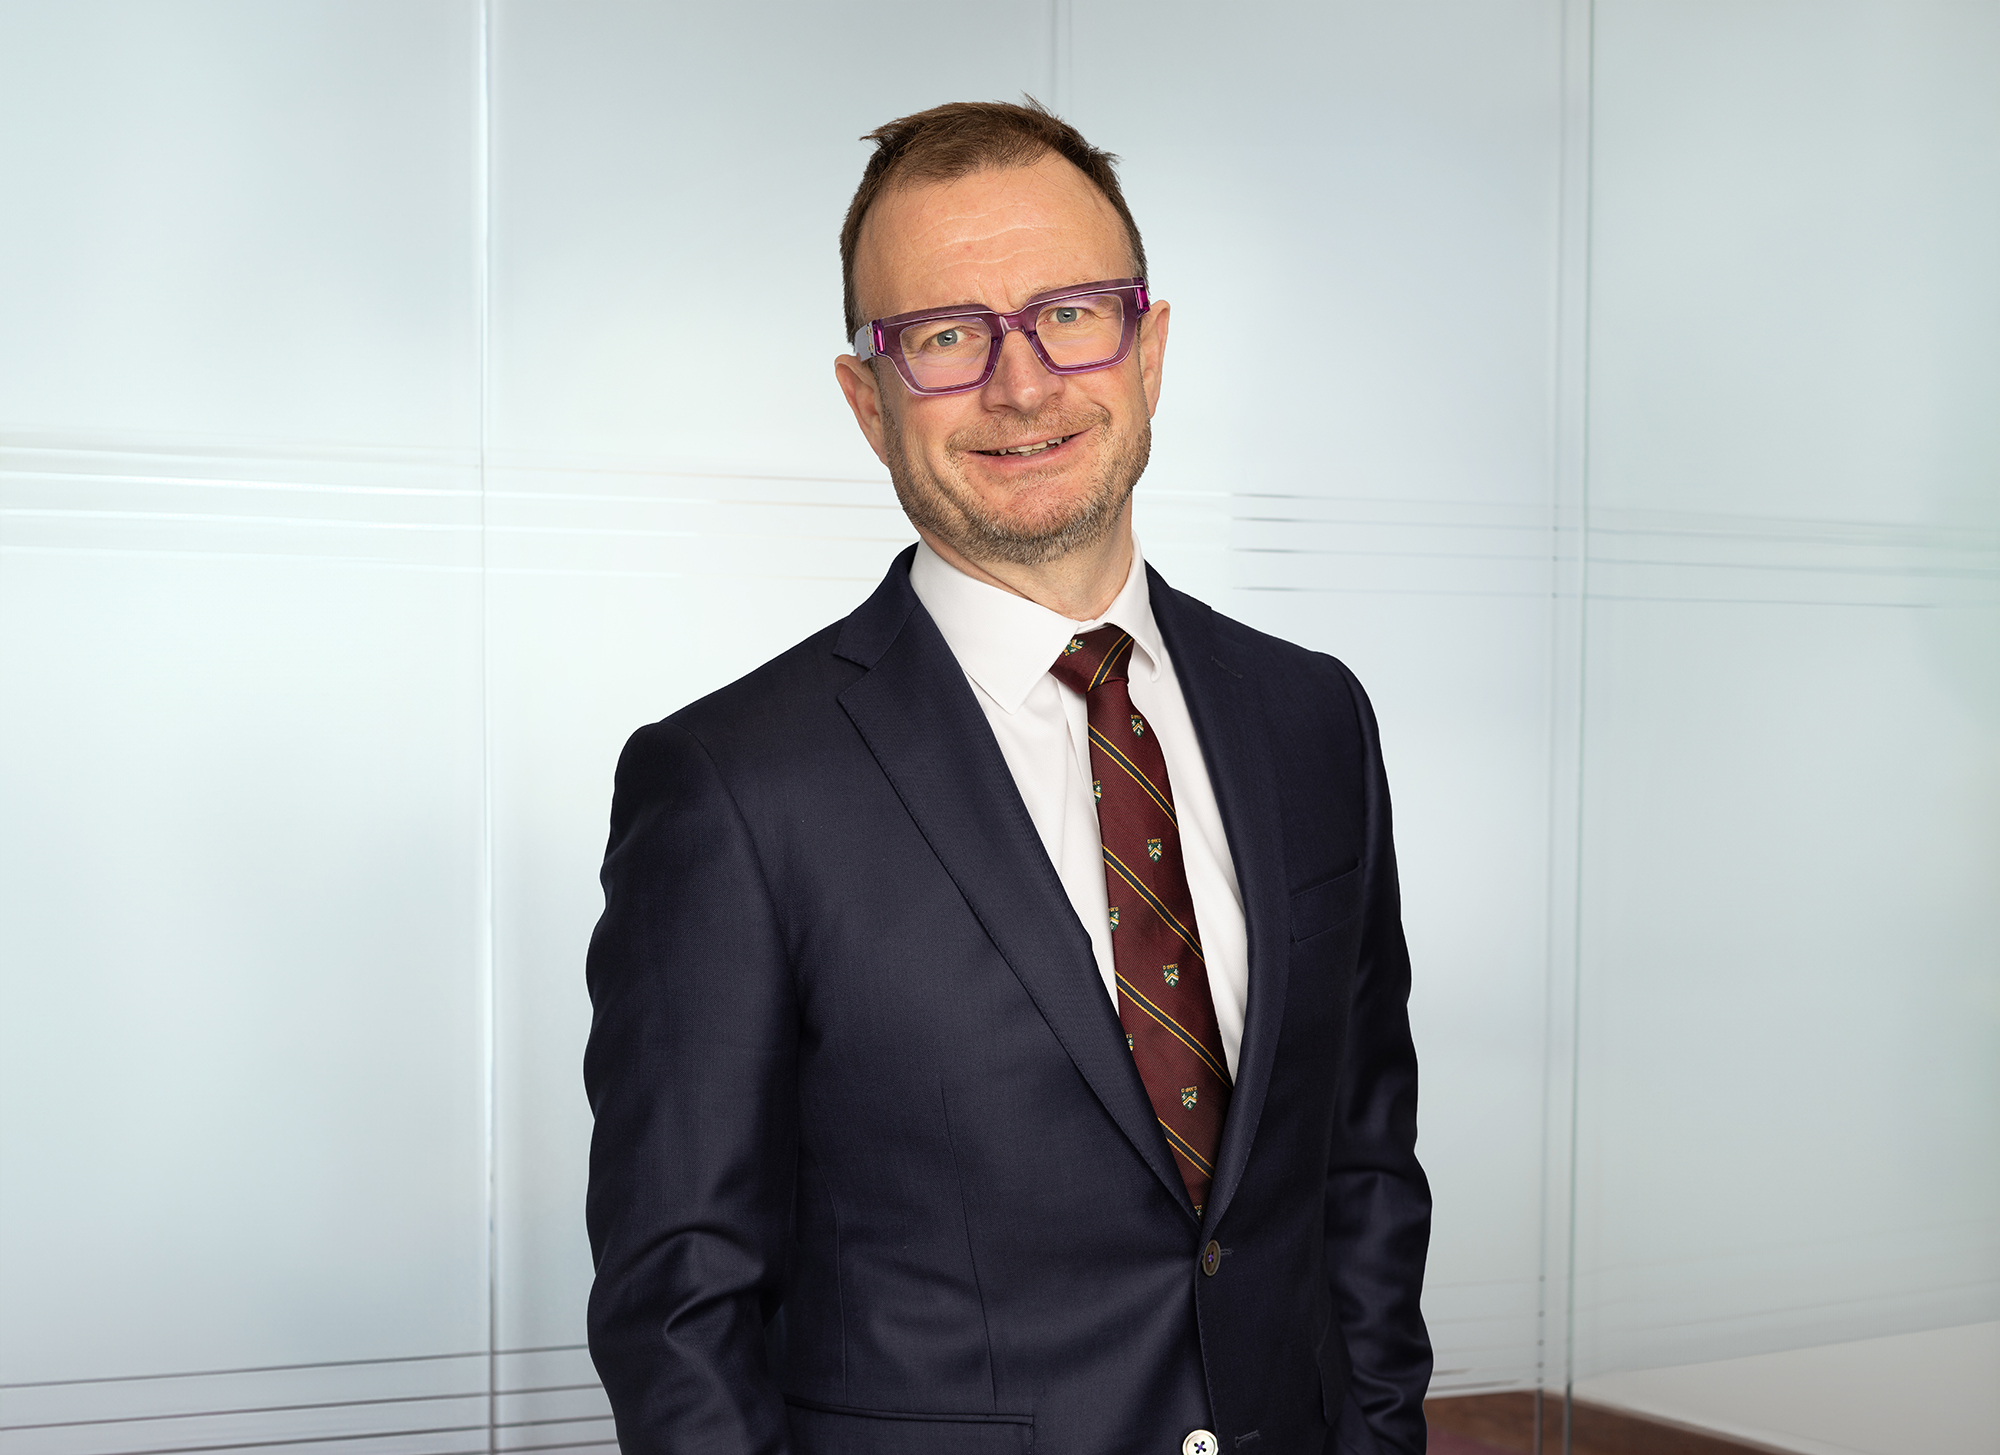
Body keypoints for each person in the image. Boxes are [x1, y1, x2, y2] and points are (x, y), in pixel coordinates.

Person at [584, 99, 1431, 1455]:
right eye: (943, 337)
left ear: (1149, 350)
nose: (1022, 386)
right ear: (867, 404)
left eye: (1071, 314)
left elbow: (1364, 1170)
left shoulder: (1312, 718)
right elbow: (681, 1314)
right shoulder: (730, 788)